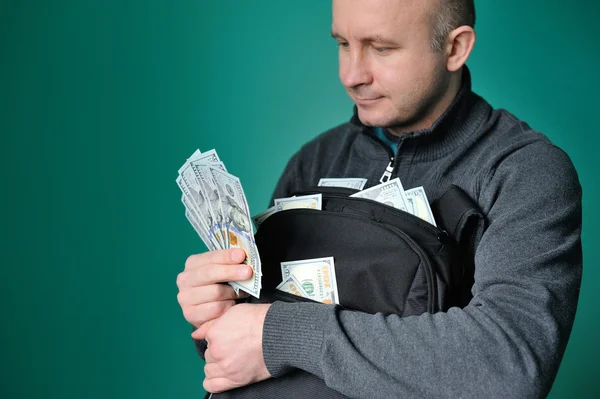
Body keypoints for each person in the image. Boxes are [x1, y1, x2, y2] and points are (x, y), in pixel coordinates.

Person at [176, 0, 583, 397]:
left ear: (455, 48)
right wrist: (220, 313)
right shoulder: (314, 159)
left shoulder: (523, 171)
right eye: (342, 44)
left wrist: (280, 334)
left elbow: (508, 364)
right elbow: (251, 348)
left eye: (381, 48)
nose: (352, 75)